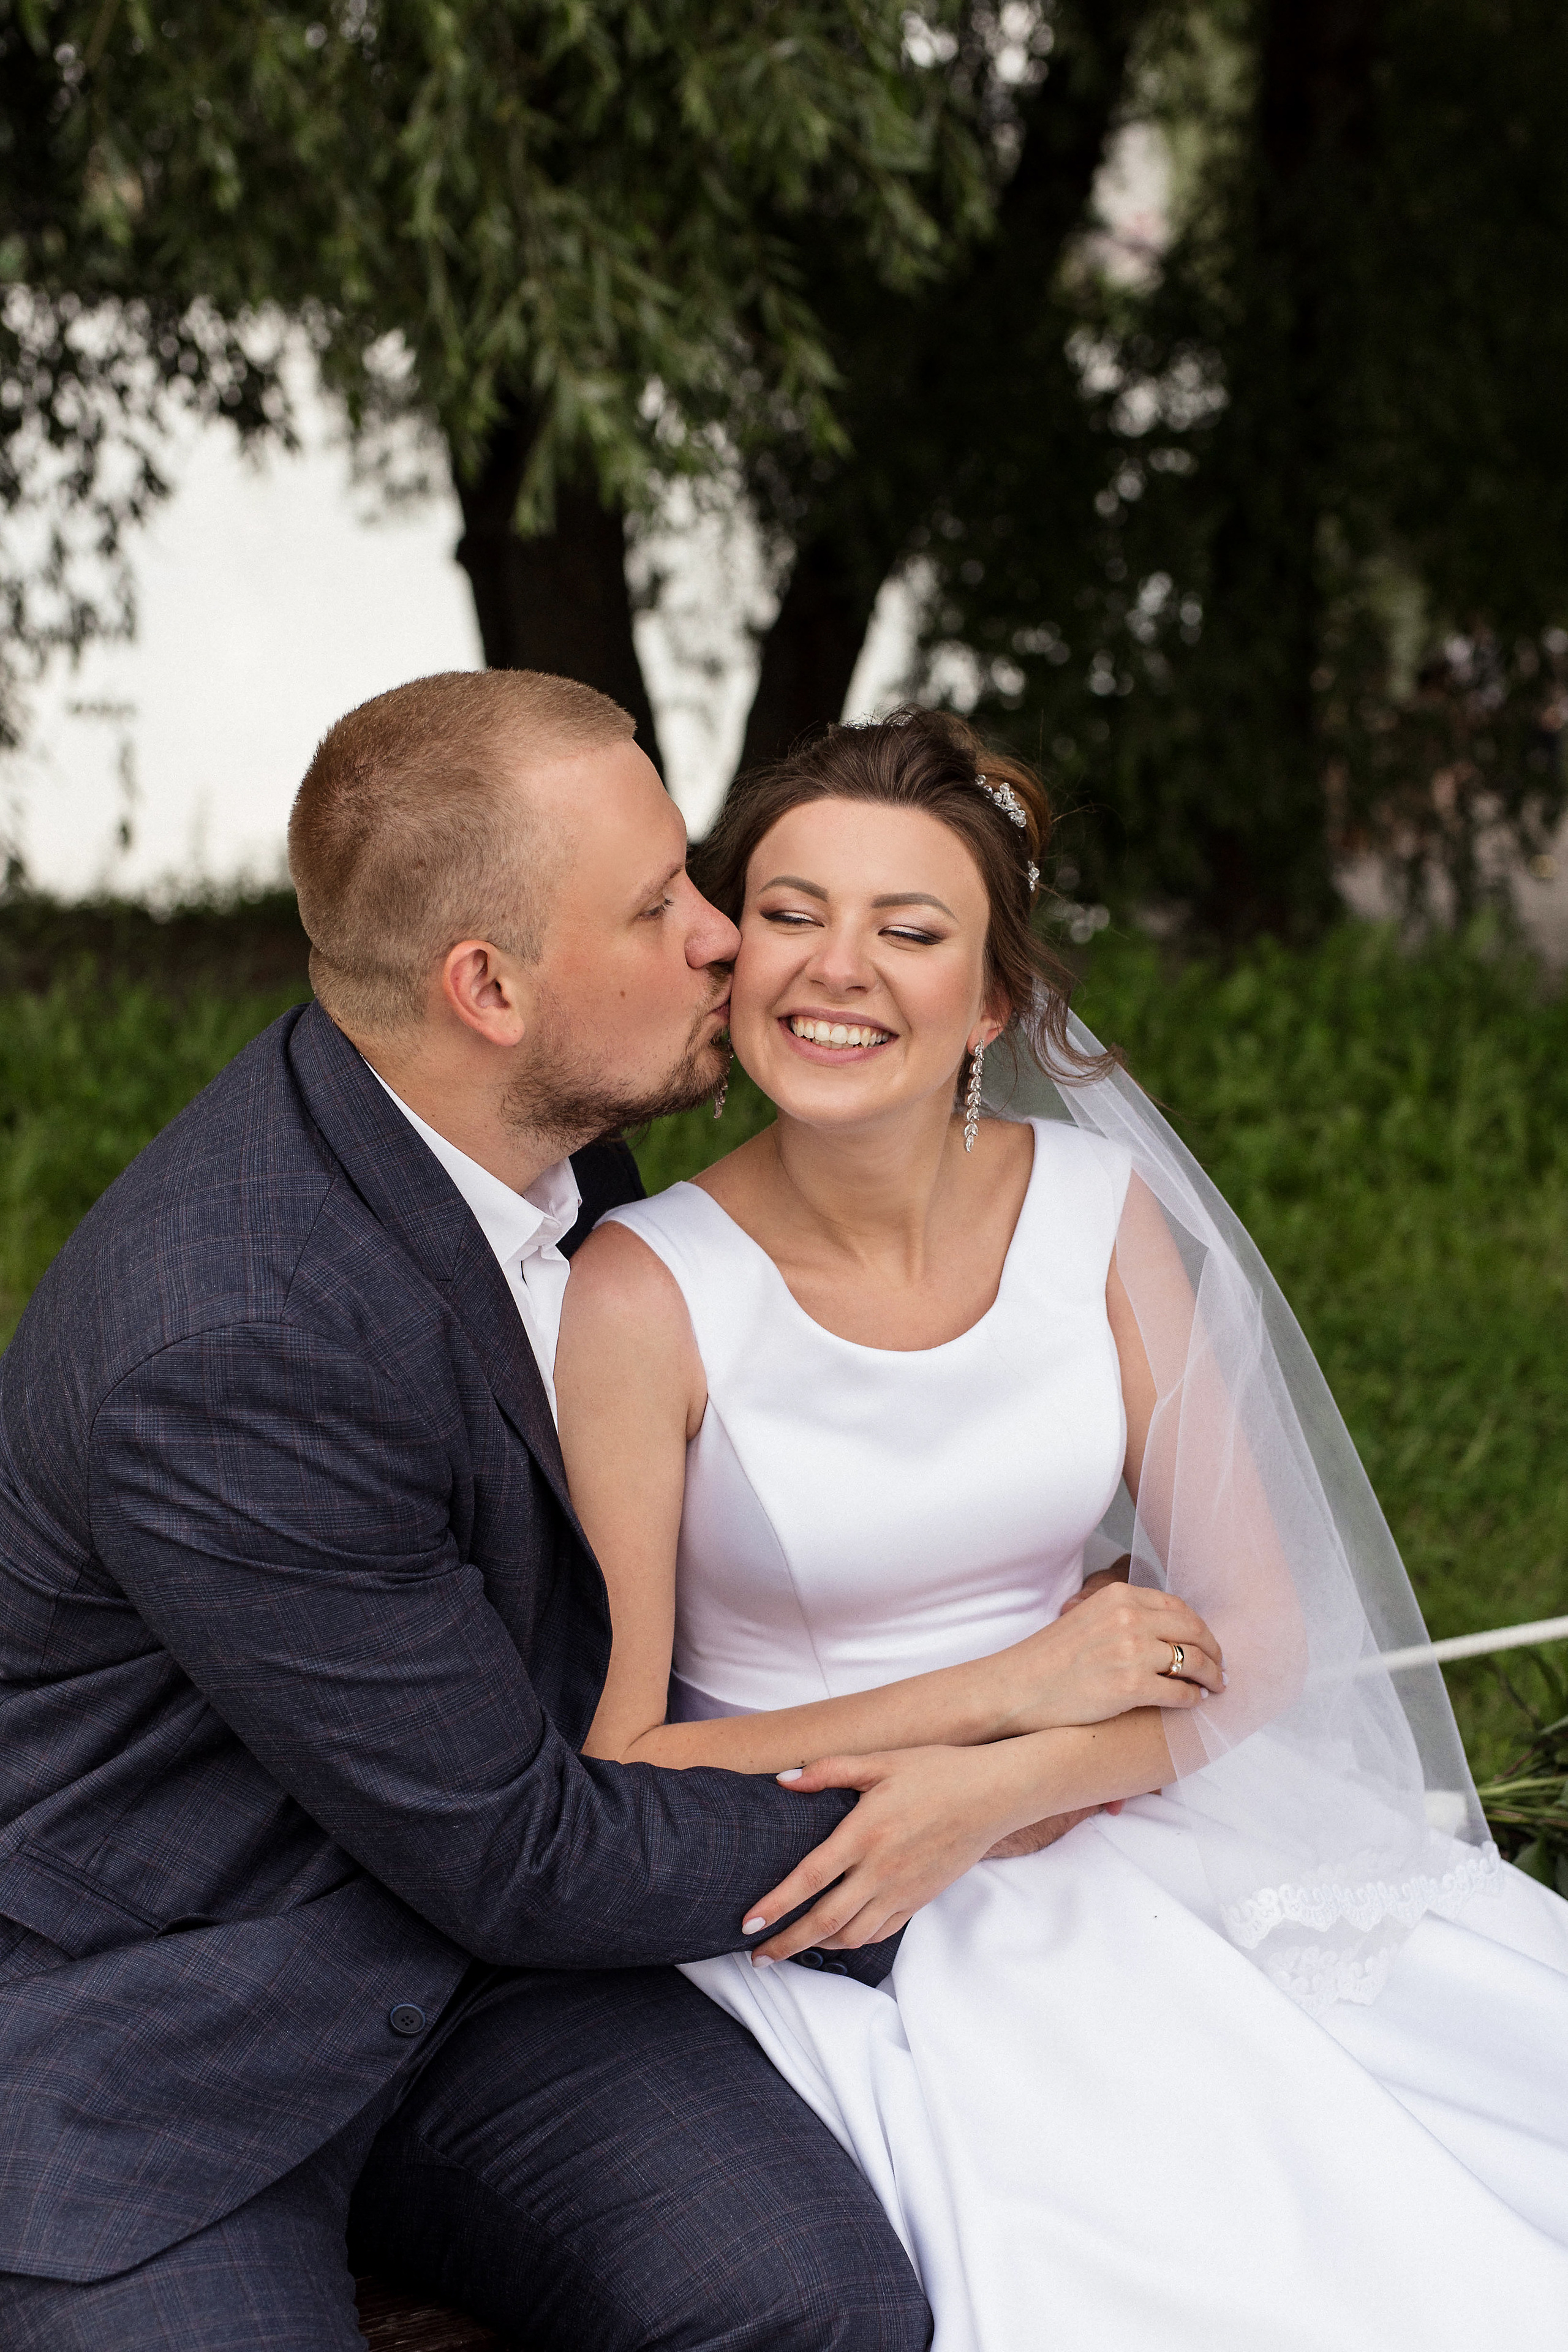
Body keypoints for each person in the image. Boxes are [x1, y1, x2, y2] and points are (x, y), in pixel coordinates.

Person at [0, 668, 1003, 2351]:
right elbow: (528, 1849)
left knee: (809, 2308)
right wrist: (963, 1802)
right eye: (660, 903)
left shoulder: (549, 1140)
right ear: (488, 987)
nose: (720, 936)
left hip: (462, 1973)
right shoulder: (238, 1339)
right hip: (165, 2042)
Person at [556, 706, 1568, 2352]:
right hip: (829, 1886)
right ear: (729, 961)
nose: (838, 969)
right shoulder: (643, 1287)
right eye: (795, 914)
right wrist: (1002, 1693)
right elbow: (622, 1767)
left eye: (912, 929)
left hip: (1124, 1804)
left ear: (994, 999)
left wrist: (1015, 1776)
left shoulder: (1098, 1218)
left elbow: (1262, 1634)